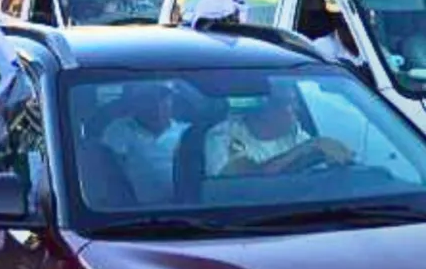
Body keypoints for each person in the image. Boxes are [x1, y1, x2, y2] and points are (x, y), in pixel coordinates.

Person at [205, 83, 353, 177]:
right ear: (265, 109)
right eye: (289, 102)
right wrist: (307, 147)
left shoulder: (295, 134)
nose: (297, 109)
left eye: (296, 101)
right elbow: (248, 181)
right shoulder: (224, 136)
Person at [101, 83, 188, 204]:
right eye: (148, 99)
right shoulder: (119, 129)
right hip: (135, 213)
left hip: (186, 212)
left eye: (163, 98)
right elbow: (111, 176)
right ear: (136, 103)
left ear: (172, 101)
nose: (157, 106)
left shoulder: (187, 133)